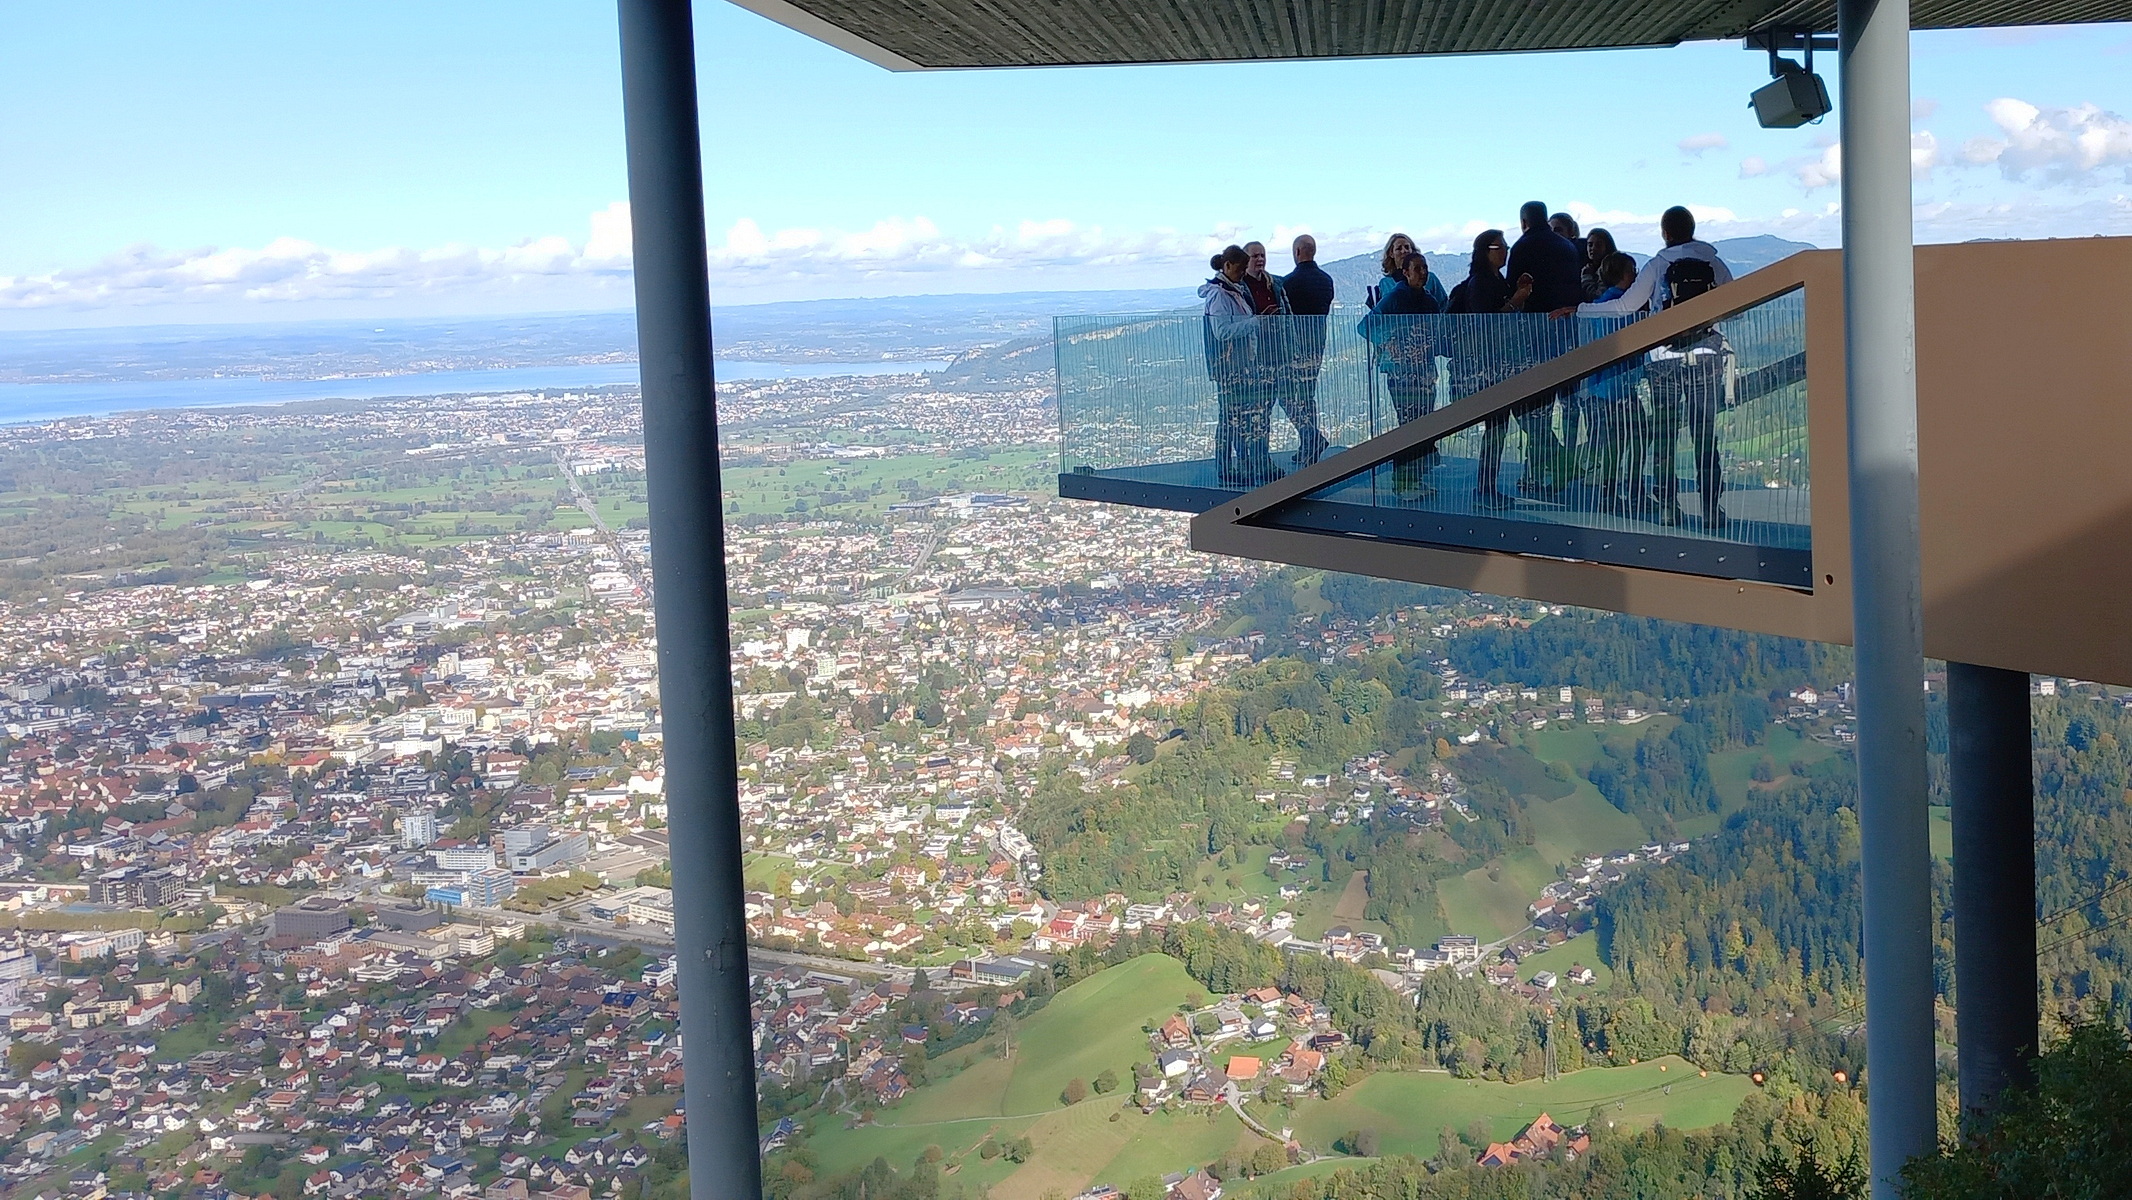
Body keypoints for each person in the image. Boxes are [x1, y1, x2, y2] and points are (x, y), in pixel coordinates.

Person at [1573, 206, 1735, 528]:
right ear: (1692, 229)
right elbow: (1734, 310)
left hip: (1664, 362)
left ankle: (1668, 508)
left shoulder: (1658, 265)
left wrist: (1580, 310)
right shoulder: (1714, 263)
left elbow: (1623, 307)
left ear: (1665, 233)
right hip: (1706, 358)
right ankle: (1711, 509)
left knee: (1663, 436)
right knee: (1705, 436)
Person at [1446, 230, 1533, 510]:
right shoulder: (1482, 283)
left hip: (1493, 368)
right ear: (1487, 250)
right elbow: (1487, 325)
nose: (1505, 251)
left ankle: (1487, 487)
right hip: (1487, 370)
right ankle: (1485, 489)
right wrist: (1516, 300)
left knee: (1498, 428)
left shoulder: (1492, 281)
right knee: (1496, 428)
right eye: (1501, 247)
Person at [1502, 201, 1584, 497]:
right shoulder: (1566, 248)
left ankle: (1537, 472)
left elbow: (1512, 290)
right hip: (1568, 336)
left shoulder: (1522, 248)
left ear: (1523, 222)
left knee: (1537, 410)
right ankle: (1562, 464)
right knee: (1567, 407)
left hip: (1534, 339)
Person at [1359, 252, 1442, 496]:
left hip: (1424, 373)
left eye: (1425, 268)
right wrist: (1388, 341)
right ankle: (1403, 482)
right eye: (1418, 268)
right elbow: (1365, 325)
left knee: (1423, 425)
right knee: (1408, 427)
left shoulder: (1429, 300)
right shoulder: (1394, 297)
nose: (1423, 273)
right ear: (1405, 272)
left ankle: (1413, 480)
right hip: (1401, 374)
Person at [1199, 245, 1277, 486]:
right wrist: (1255, 323)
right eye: (1241, 268)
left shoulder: (1231, 290)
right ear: (1228, 266)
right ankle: (1226, 468)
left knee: (1235, 418)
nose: (1243, 273)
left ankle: (1239, 466)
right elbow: (1221, 331)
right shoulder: (1219, 295)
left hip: (1239, 365)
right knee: (1230, 420)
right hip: (1229, 367)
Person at [1580, 252, 1648, 512]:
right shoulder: (1623, 306)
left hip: (1601, 386)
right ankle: (1633, 491)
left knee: (1613, 445)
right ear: (1626, 273)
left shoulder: (1601, 304)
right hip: (1617, 386)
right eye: (1633, 270)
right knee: (1638, 437)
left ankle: (1609, 495)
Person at [1277, 235, 1335, 465]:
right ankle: (1309, 443)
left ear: (1298, 252)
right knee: (1307, 397)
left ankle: (1311, 438)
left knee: (1288, 397)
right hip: (1317, 345)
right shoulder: (1326, 280)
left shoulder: (1288, 283)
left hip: (1294, 348)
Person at [1367, 232, 1447, 312]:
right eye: (1399, 248)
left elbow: (1444, 307)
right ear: (1391, 254)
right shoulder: (1385, 283)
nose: (1404, 251)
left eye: (1407, 247)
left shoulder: (1430, 278)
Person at [1579, 227, 1620, 302]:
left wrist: (1586, 277)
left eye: (1599, 244)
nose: (1593, 248)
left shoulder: (1612, 269)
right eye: (1590, 245)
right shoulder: (1588, 267)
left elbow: (1598, 297)